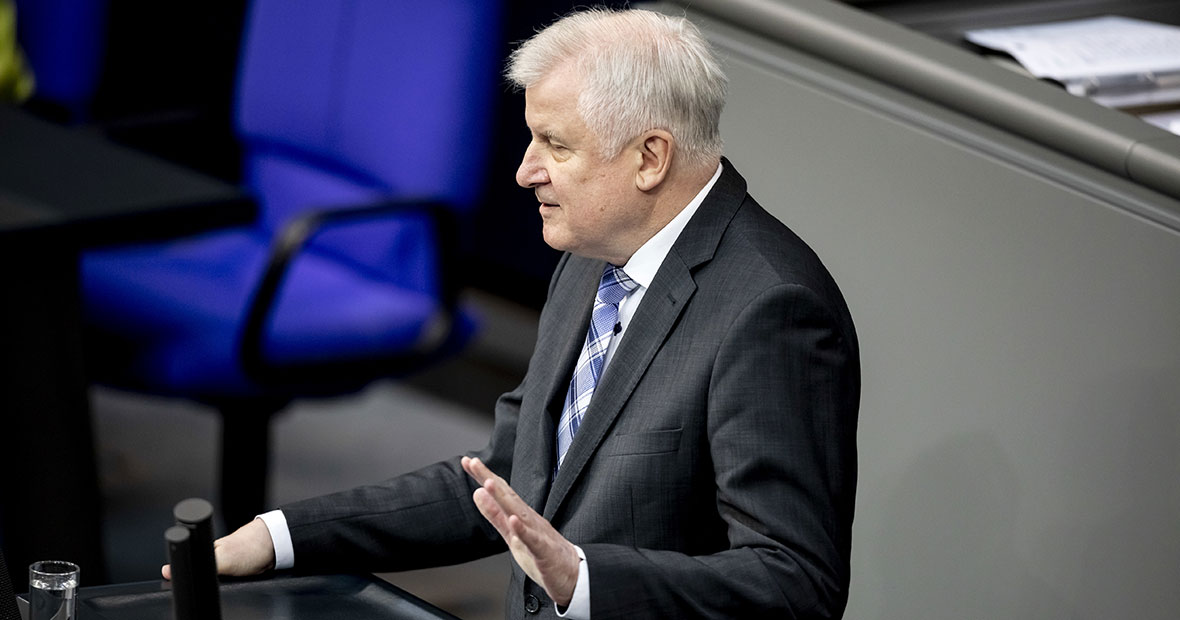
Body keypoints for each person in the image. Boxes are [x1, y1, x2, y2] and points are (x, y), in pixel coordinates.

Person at [165, 8, 860, 618]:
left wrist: (584, 581)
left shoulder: (772, 311)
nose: (526, 170)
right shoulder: (592, 254)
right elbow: (509, 476)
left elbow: (794, 583)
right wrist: (280, 536)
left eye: (556, 145)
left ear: (650, 157)